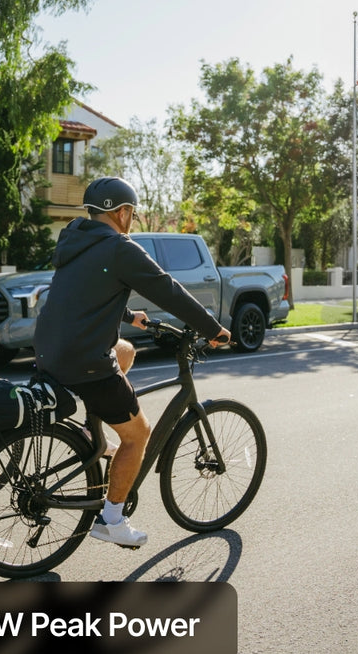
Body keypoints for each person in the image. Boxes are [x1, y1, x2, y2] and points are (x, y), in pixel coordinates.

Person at [34, 177, 230, 547]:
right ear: (122, 212)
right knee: (139, 434)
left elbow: (86, 291)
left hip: (50, 350)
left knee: (124, 350)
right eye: (133, 214)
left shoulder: (77, 241)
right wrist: (213, 328)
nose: (132, 220)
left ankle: (96, 432)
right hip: (85, 360)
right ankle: (111, 519)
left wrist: (128, 316)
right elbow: (167, 288)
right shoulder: (119, 247)